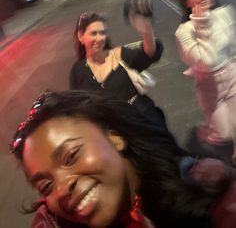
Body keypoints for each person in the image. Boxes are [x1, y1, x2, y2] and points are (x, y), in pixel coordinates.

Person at [10, 91, 236, 228]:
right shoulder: (59, 220)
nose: (61, 189)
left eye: (71, 156)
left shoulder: (216, 202)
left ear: (115, 137)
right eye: (46, 186)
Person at [69, 9, 166, 130]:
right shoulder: (77, 70)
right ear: (80, 36)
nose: (99, 38)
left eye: (102, 33)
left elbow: (148, 54)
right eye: (94, 33)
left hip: (143, 121)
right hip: (112, 133)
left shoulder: (119, 54)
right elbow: (78, 108)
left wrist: (147, 31)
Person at [175, 0, 236, 162]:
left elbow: (232, 47)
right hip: (209, 86)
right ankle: (206, 131)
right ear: (187, 2)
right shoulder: (183, 31)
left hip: (232, 75)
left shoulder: (225, 13)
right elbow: (207, 62)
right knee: (223, 134)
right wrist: (202, 25)